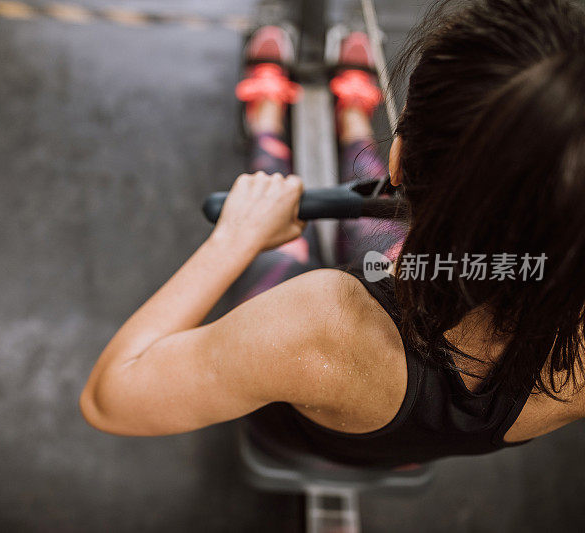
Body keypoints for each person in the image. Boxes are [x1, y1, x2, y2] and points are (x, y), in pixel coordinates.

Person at [80, 0, 585, 468]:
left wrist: (236, 236)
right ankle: (351, 121)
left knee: (280, 235)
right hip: (403, 446)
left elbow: (109, 399)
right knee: (386, 257)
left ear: (400, 159)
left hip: (308, 428)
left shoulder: (319, 325)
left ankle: (269, 125)